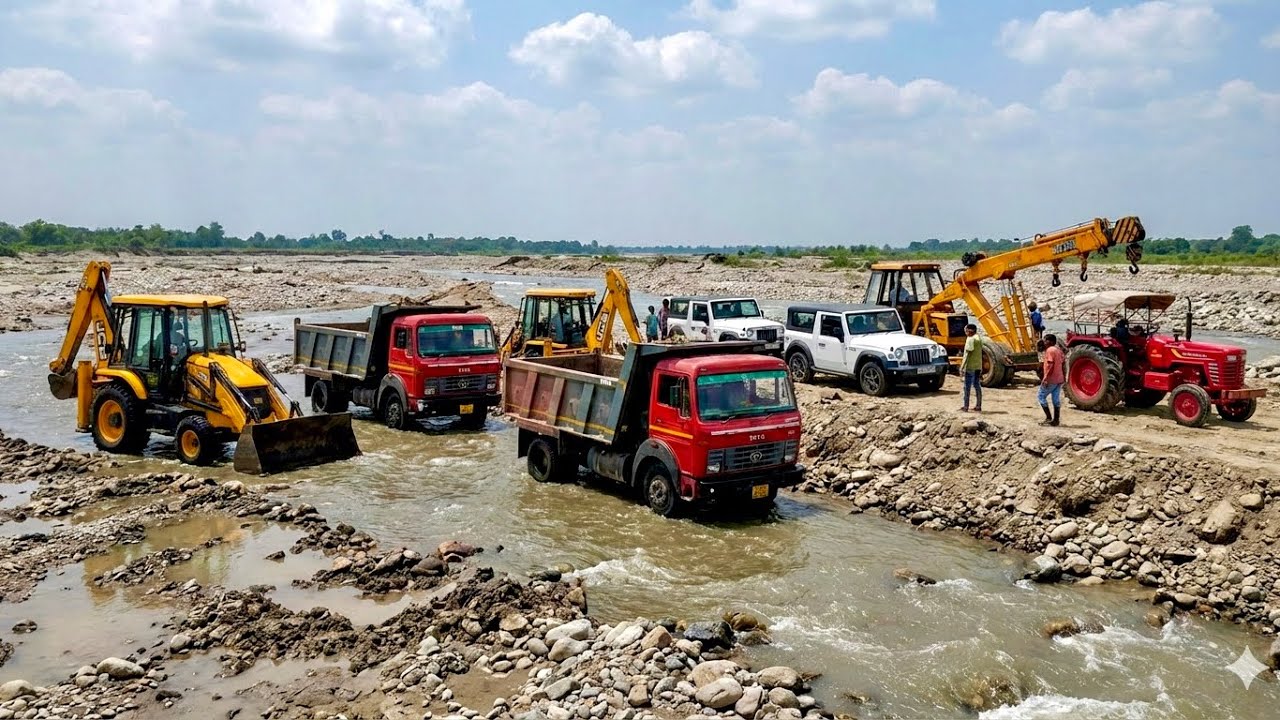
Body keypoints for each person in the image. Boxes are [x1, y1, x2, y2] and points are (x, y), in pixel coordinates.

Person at [1038, 332, 1065, 426]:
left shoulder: (1050, 350)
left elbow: (1050, 365)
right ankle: (1056, 420)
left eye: (1046, 340)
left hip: (1051, 379)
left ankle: (1048, 418)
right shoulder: (1058, 350)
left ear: (1050, 341)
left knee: (1041, 396)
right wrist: (1063, 376)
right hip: (1059, 379)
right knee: (1055, 399)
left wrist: (1045, 378)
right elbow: (1063, 363)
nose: (1044, 342)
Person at [960, 323, 982, 412]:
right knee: (977, 385)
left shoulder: (970, 339)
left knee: (967, 387)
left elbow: (967, 355)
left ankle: (966, 406)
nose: (965, 333)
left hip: (970, 366)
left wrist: (962, 367)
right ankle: (978, 406)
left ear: (969, 331)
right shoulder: (979, 338)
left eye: (966, 331)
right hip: (978, 366)